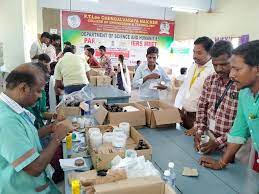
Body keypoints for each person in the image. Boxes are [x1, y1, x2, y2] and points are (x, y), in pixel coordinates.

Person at [0, 63, 70, 193]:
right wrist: (57, 138)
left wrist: (50, 128)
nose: (40, 96)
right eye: (38, 91)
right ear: (23, 88)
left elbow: (27, 138)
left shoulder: (15, 110)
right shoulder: (7, 120)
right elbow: (35, 168)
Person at [199, 40, 259, 173]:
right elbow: (238, 131)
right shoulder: (245, 93)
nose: (232, 74)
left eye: (237, 69)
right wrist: (221, 163)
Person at [193, 40, 238, 154]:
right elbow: (202, 107)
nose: (218, 69)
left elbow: (241, 124)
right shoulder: (210, 79)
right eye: (215, 64)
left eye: (223, 64)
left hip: (233, 144)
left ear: (232, 59)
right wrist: (199, 130)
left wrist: (219, 142)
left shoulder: (240, 83)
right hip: (210, 138)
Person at [174, 36, 215, 131]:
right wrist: (177, 107)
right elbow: (185, 88)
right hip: (184, 114)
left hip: (199, 119)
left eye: (199, 53)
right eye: (194, 52)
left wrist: (201, 124)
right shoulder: (193, 66)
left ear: (210, 53)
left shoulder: (213, 71)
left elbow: (210, 102)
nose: (194, 56)